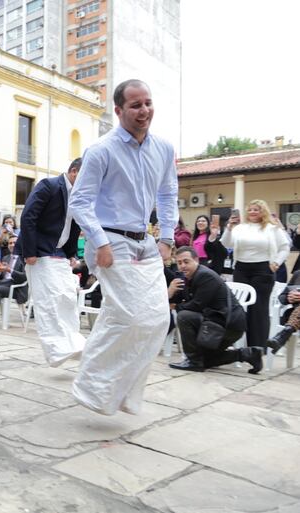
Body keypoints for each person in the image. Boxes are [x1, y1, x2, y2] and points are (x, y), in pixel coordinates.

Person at [68, 79, 178, 416]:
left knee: (158, 319)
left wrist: (167, 237)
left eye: (147, 103)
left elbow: (168, 194)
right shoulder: (101, 150)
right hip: (110, 242)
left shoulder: (164, 149)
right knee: (130, 316)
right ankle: (92, 386)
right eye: (135, 105)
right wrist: (99, 243)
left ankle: (125, 394)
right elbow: (80, 201)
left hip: (144, 241)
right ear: (118, 111)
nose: (144, 111)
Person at [18, 158, 85, 367]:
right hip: (39, 251)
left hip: (60, 252)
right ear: (74, 172)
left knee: (66, 296)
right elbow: (28, 217)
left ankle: (72, 343)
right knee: (49, 300)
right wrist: (29, 251)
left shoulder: (80, 195)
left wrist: (71, 253)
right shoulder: (49, 186)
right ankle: (55, 350)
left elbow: (73, 225)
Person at [168, 246, 262, 373]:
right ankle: (248, 354)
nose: (182, 266)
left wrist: (176, 306)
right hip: (213, 322)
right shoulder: (185, 278)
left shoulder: (205, 276)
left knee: (184, 316)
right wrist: (170, 291)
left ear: (196, 260)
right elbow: (177, 300)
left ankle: (193, 361)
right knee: (206, 360)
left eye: (186, 261)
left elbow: (197, 305)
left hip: (228, 325)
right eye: (179, 263)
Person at [220, 200, 290, 349]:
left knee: (258, 309)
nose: (252, 212)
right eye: (250, 209)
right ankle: (236, 344)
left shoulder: (272, 228)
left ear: (263, 211)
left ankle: (257, 348)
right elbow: (226, 244)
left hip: (263, 269)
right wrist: (229, 228)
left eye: (256, 209)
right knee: (239, 307)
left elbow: (285, 247)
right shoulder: (240, 228)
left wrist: (276, 262)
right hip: (241, 269)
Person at [267, 269, 300, 353]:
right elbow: (282, 296)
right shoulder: (298, 274)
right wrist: (289, 297)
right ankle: (285, 333)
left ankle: (283, 335)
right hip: (294, 316)